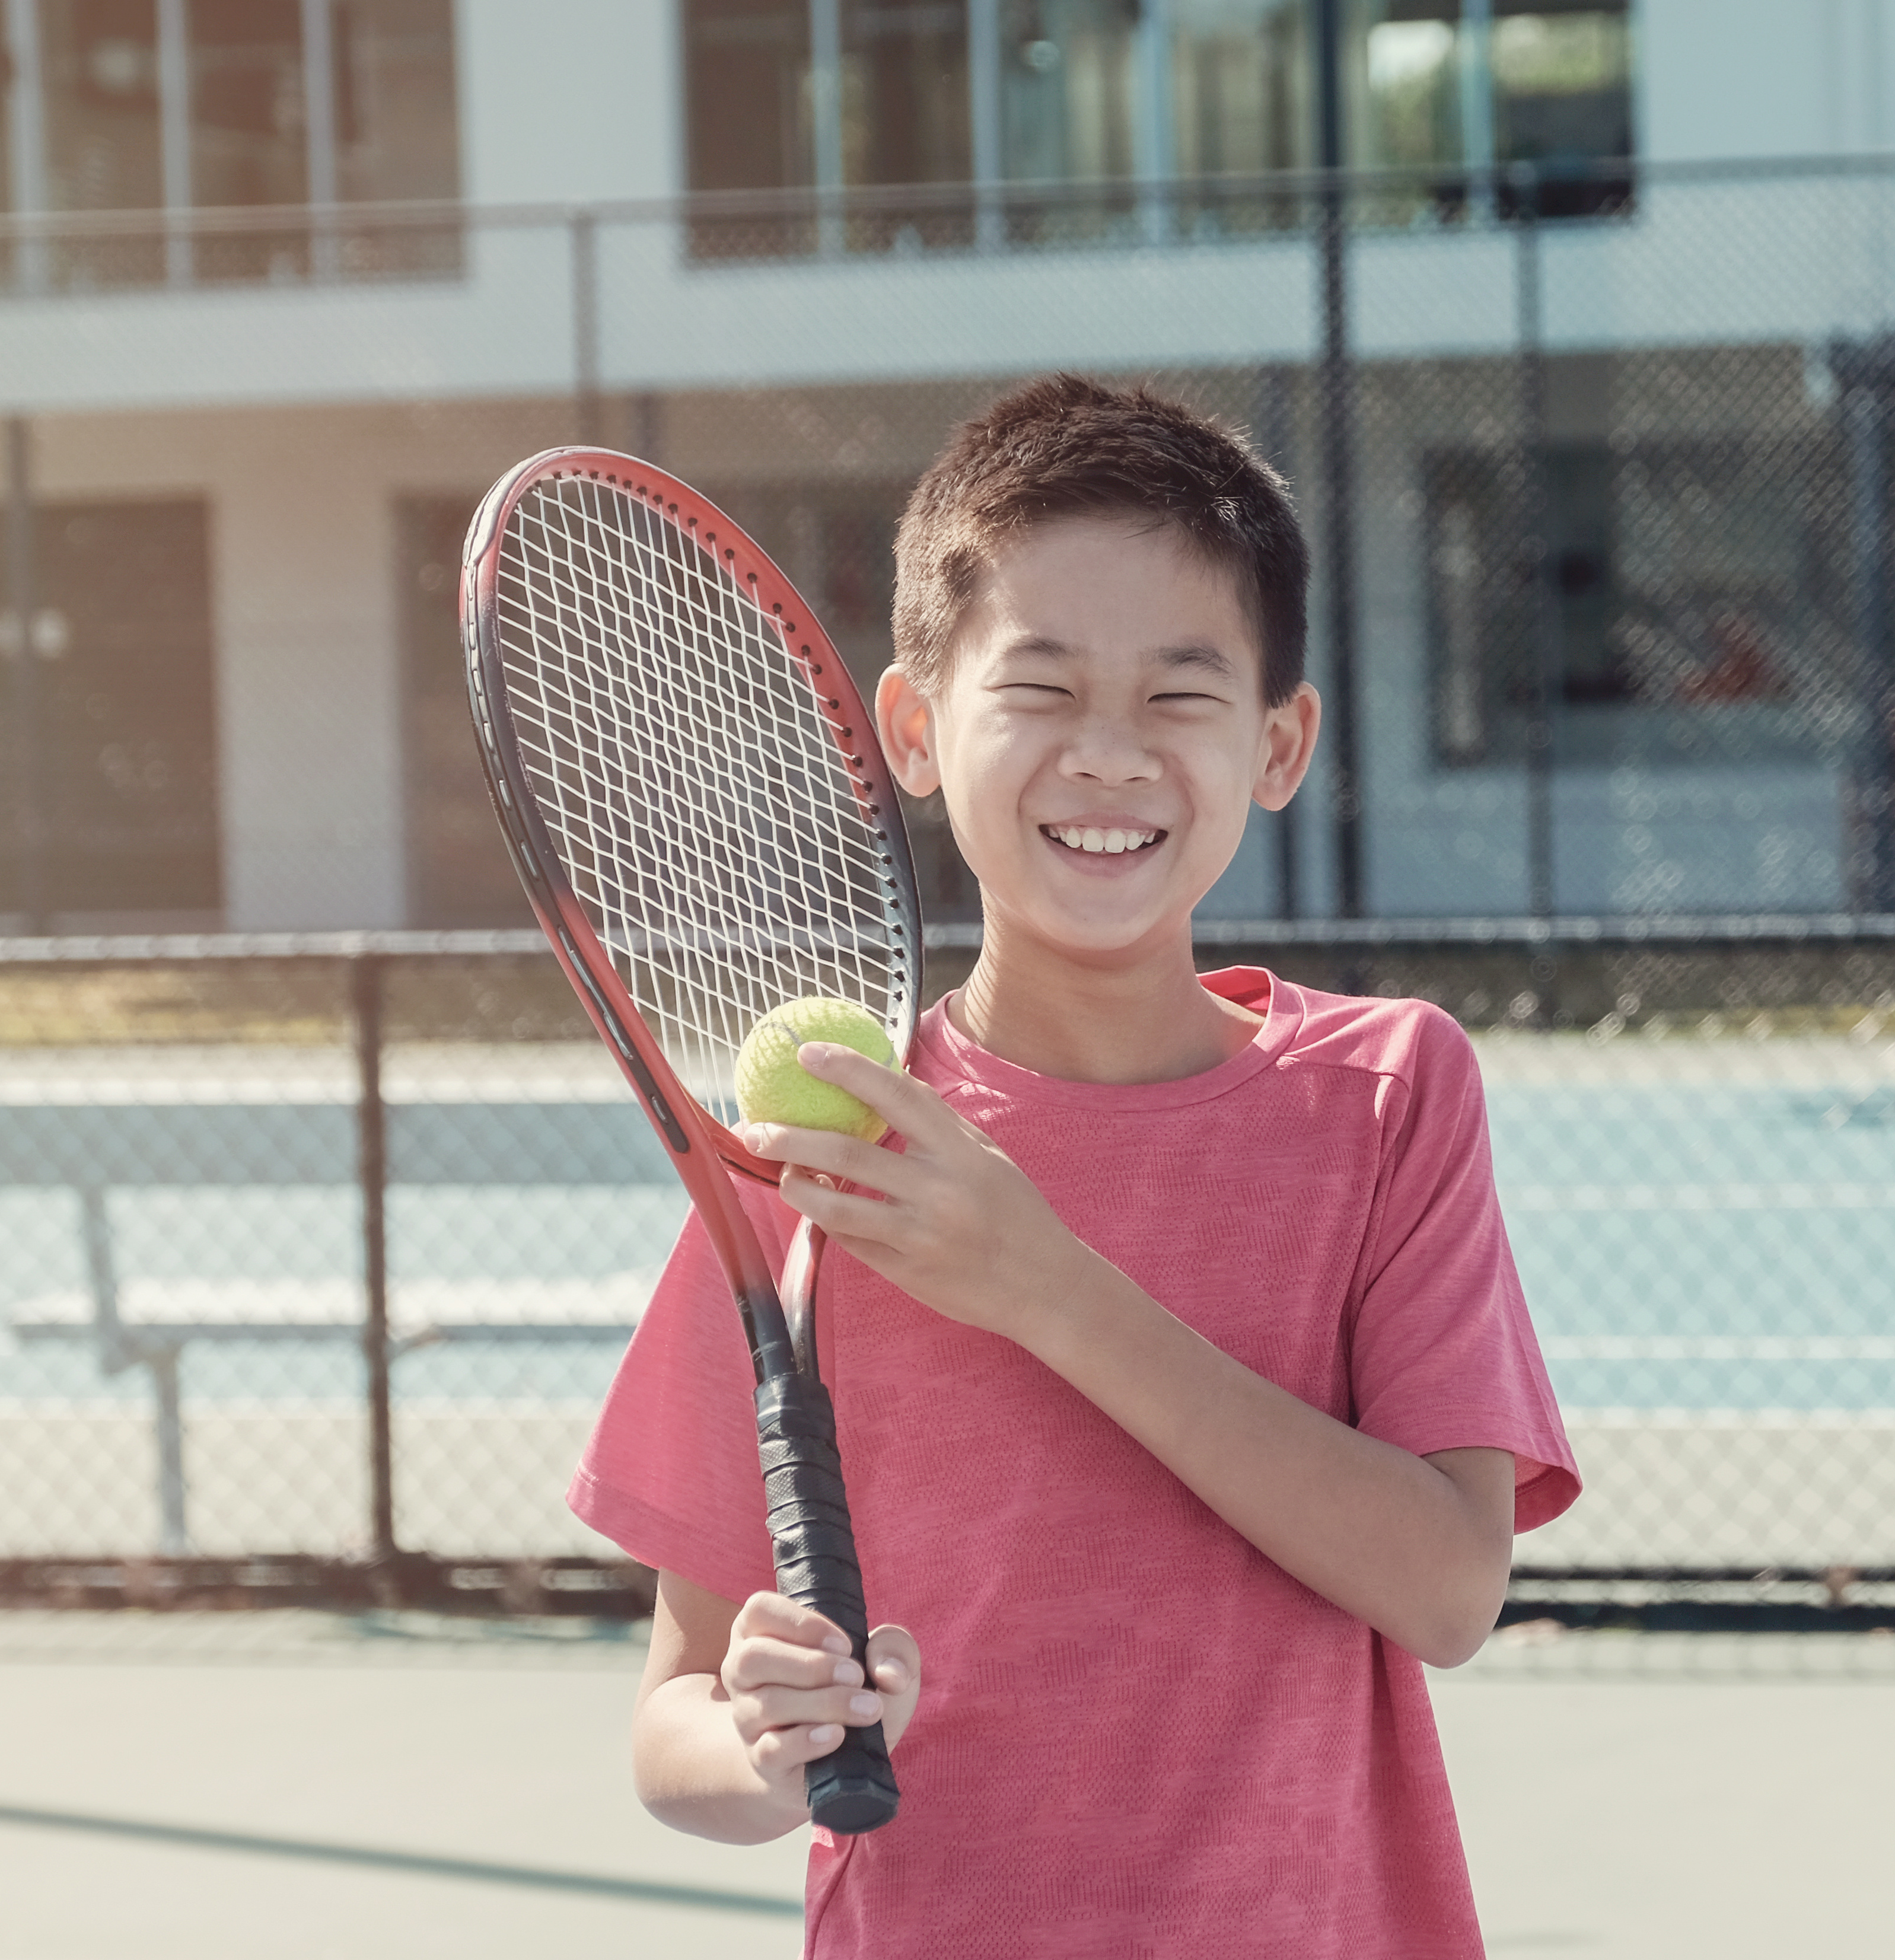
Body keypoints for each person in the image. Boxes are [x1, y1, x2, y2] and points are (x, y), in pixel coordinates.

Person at [572, 374, 1579, 1956]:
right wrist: (762, 1747)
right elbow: (674, 1725)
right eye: (1038, 687)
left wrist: (1040, 1282)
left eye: (1180, 693)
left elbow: (1448, 1585)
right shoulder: (817, 1154)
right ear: (911, 728)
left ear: (1278, 740)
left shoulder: (1386, 1093)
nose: (1106, 755)